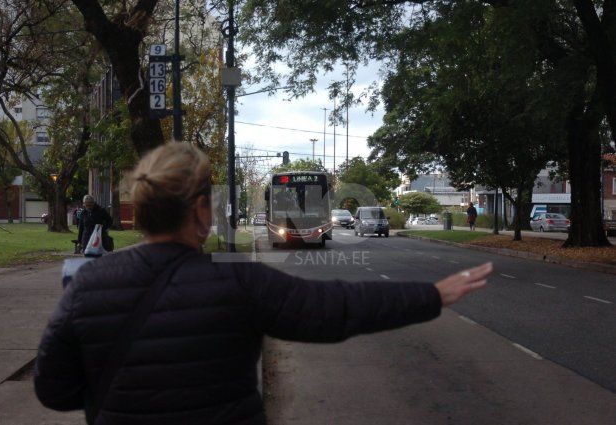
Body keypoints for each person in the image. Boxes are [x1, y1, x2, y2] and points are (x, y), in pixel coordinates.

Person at [34, 143, 493, 425]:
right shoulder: (236, 279)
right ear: (199, 210)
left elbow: (53, 390)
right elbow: (333, 308)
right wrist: (431, 295)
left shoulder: (89, 284)